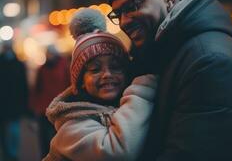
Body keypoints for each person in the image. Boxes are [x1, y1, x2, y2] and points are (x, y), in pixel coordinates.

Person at [106, 0, 232, 160]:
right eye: (117, 14)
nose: (124, 21)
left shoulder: (209, 61)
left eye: (132, 6)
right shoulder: (166, 51)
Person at [42, 10, 157, 161]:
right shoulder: (71, 125)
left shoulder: (122, 106)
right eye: (95, 69)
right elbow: (115, 153)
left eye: (115, 67)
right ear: (81, 81)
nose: (107, 74)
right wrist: (141, 91)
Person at [30, 44, 70, 157]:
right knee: (43, 138)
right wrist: (35, 107)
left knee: (60, 137)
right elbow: (37, 89)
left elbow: (69, 86)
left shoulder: (64, 66)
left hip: (60, 108)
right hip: (44, 108)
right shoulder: (42, 69)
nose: (49, 56)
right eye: (48, 53)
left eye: (51, 53)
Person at [0, 40, 29, 161]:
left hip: (13, 103)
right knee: (6, 130)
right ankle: (9, 152)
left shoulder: (19, 64)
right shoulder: (18, 64)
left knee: (13, 130)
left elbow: (23, 85)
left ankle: (11, 153)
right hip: (6, 103)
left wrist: (25, 102)